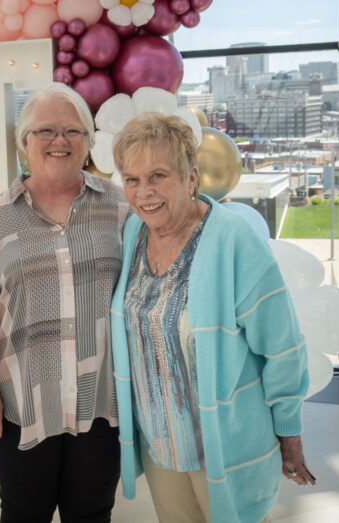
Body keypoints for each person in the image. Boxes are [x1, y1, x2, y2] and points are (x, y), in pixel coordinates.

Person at [109, 112, 314, 523]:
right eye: (131, 179)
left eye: (158, 175)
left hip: (226, 446)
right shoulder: (134, 232)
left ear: (191, 178)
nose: (143, 192)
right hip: (161, 444)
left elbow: (282, 346)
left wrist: (289, 432)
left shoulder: (233, 240)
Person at [0, 83, 129, 522]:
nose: (60, 141)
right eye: (45, 131)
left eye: (73, 131)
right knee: (23, 512)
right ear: (24, 143)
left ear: (88, 142)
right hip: (21, 400)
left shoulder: (119, 207)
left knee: (91, 512)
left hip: (101, 402)